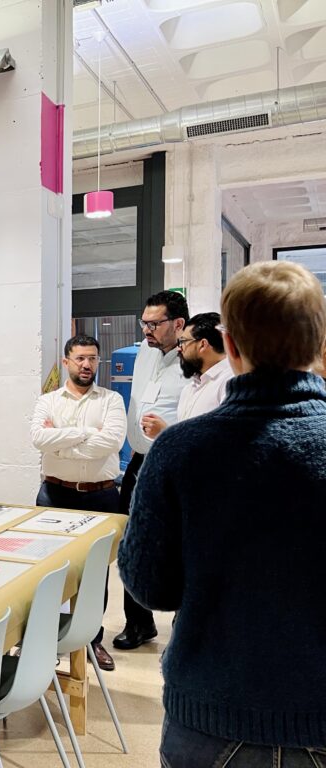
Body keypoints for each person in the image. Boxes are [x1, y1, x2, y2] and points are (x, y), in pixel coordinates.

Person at [119, 261, 326, 766]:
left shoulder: (180, 449)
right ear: (320, 344)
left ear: (230, 346)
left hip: (212, 717)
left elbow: (151, 586)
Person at [30, 334, 126, 671]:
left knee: (95, 572)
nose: (87, 365)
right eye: (81, 358)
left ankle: (92, 638)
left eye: (93, 358)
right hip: (55, 495)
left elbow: (111, 441)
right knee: (49, 570)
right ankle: (49, 638)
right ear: (67, 361)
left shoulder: (112, 400)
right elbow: (38, 438)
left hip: (101, 496)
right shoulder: (48, 401)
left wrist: (62, 441)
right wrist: (87, 432)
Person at [113, 289, 188, 652]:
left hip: (178, 465)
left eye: (155, 324)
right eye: (144, 323)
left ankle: (183, 628)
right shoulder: (143, 351)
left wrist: (168, 433)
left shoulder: (195, 360)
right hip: (140, 462)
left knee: (180, 545)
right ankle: (138, 623)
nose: (147, 330)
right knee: (133, 541)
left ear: (179, 323)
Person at [137, 311, 233, 438]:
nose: (179, 348)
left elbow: (226, 440)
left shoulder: (230, 382)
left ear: (202, 345)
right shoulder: (191, 388)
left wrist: (165, 433)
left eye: (183, 342)